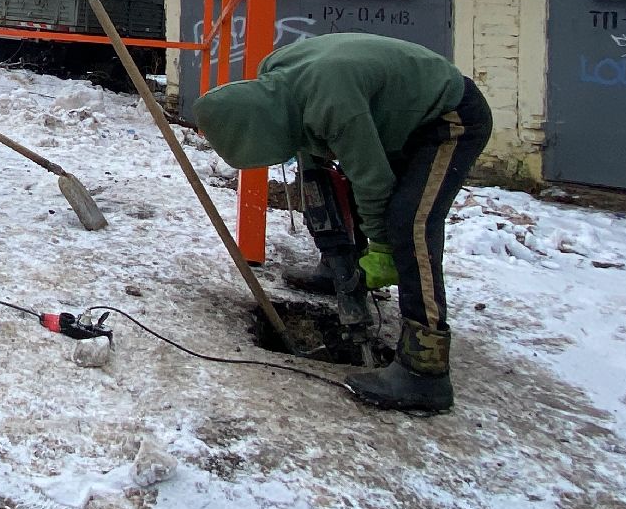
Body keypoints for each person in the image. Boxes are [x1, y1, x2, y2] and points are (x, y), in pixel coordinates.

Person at [190, 33, 493, 413]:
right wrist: (337, 251)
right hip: (392, 117)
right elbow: (315, 156)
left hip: (447, 118)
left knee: (410, 222)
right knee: (341, 184)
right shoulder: (275, 77)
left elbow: (372, 180)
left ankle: (425, 370)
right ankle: (339, 271)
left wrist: (381, 248)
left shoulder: (333, 103)